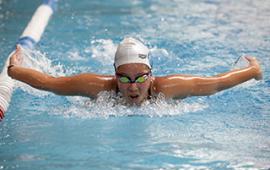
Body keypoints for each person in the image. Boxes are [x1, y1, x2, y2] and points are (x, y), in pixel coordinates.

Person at [7, 37, 262, 108]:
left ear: (151, 74)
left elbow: (215, 83)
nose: (133, 87)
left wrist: (252, 70)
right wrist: (14, 70)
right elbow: (50, 83)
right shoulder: (97, 87)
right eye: (124, 78)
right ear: (114, 75)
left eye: (141, 77)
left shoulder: (169, 88)